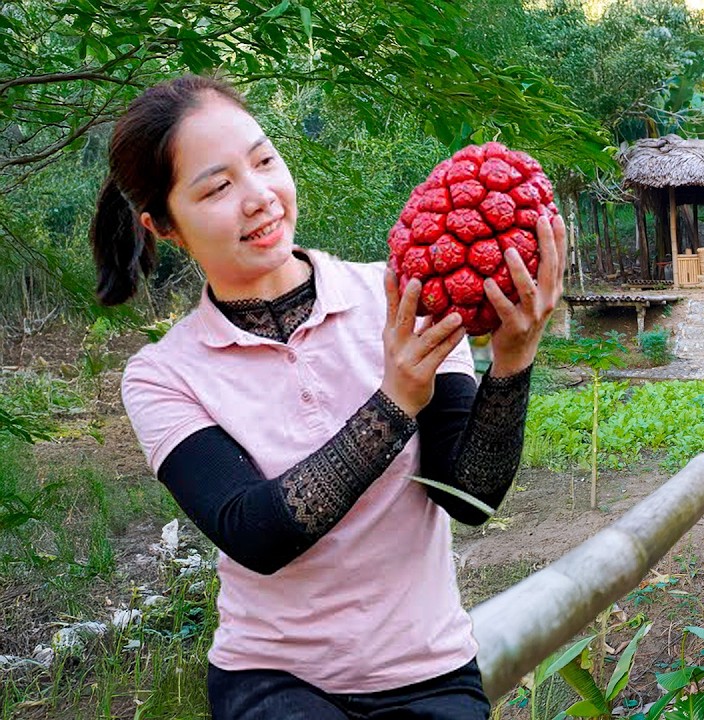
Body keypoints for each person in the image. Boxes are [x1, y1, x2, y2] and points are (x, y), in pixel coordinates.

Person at [89, 74, 565, 718]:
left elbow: (469, 498)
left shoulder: (400, 295)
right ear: (165, 225)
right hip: (271, 682)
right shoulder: (164, 373)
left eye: (263, 161)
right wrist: (394, 401)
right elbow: (254, 533)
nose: (258, 197)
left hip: (426, 668)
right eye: (219, 186)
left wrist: (511, 361)